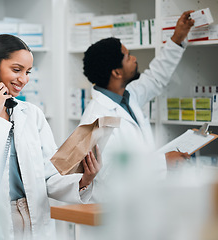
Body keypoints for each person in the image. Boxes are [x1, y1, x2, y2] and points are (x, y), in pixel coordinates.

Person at [0, 34, 101, 239]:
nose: (24, 79)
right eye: (16, 70)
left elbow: (48, 176)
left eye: (28, 72)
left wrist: (83, 180)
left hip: (34, 217)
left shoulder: (32, 114)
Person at [80, 11, 194, 203]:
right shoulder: (96, 118)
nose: (134, 59)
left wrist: (177, 38)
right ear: (116, 72)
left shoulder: (126, 96)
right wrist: (162, 163)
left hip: (140, 200)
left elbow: (155, 77)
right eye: (128, 56)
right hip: (113, 212)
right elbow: (109, 173)